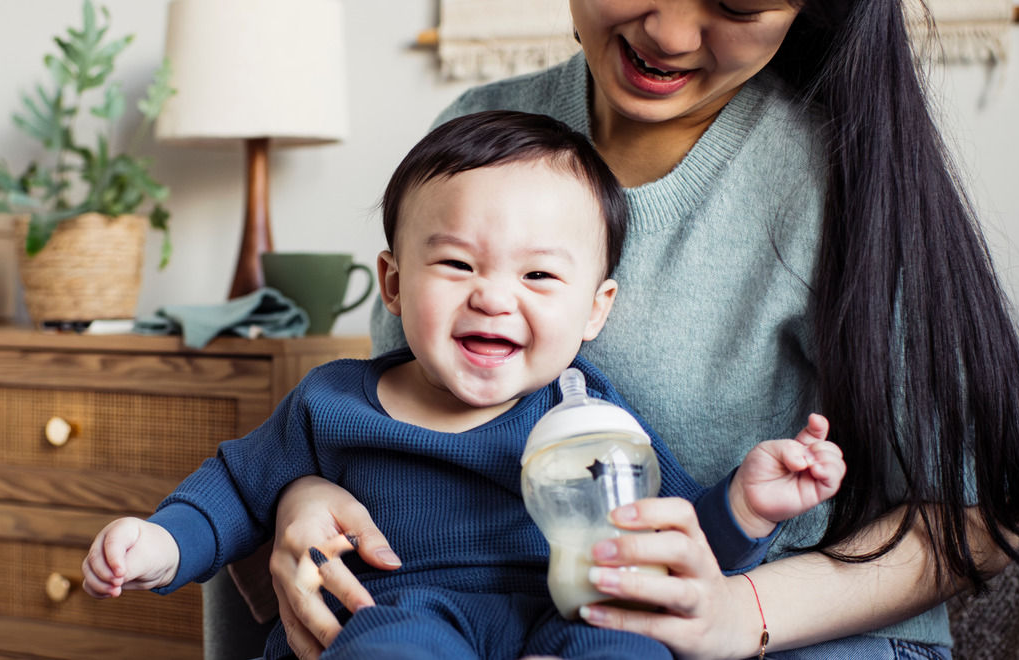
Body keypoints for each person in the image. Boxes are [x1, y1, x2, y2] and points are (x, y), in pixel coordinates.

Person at [263, 1, 1019, 659]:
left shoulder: (839, 175)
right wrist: (305, 493)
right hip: (542, 625)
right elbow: (399, 421)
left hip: (805, 629)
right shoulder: (475, 130)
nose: (670, 34)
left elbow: (977, 513)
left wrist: (740, 610)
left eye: (738, 2)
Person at [81, 111, 846, 659]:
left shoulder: (593, 420)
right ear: (392, 281)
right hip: (400, 611)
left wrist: (745, 508)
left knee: (627, 638)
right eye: (456, 264)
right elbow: (237, 490)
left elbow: (676, 547)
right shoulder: (332, 402)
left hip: (574, 612)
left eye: (539, 275)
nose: (493, 296)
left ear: (594, 310)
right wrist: (159, 543)